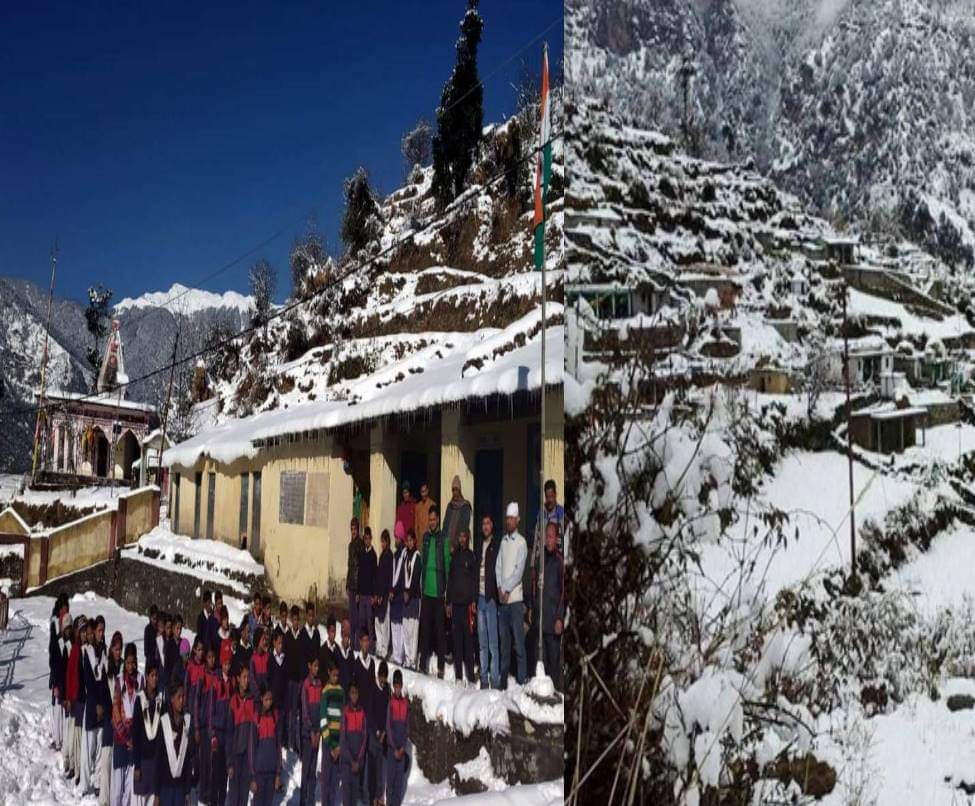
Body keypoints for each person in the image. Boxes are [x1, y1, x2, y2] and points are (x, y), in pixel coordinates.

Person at [496, 502, 528, 686]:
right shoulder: (503, 541)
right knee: (504, 645)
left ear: (517, 520)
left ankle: (522, 680)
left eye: (511, 518)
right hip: (503, 600)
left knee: (519, 644)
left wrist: (507, 589)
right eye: (507, 518)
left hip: (515, 601)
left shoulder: (521, 542)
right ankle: (503, 682)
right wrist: (500, 587)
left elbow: (519, 570)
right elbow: (498, 566)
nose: (508, 521)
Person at [533, 521, 565, 691]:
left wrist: (560, 617)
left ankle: (558, 696)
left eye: (551, 537)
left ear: (557, 538)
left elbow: (564, 592)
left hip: (553, 623)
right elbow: (534, 587)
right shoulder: (540, 560)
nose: (549, 540)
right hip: (540, 623)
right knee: (541, 664)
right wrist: (532, 609)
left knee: (554, 665)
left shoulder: (560, 561)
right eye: (547, 537)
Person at [418, 506, 450, 677]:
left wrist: (446, 592)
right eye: (429, 519)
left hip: (438, 592)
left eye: (433, 519)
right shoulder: (425, 538)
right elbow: (422, 561)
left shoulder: (443, 538)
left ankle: (441, 666)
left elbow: (446, 563)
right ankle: (422, 663)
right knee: (425, 630)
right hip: (426, 592)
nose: (431, 522)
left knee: (439, 631)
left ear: (438, 519)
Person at [81, 616, 110, 796]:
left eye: (102, 630)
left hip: (103, 704)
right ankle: (85, 785)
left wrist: (104, 704)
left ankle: (98, 782)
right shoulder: (87, 651)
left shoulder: (104, 650)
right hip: (92, 704)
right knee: (88, 747)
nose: (100, 634)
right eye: (98, 630)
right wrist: (97, 704)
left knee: (100, 746)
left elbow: (106, 679)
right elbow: (89, 681)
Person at [110, 642, 140, 806]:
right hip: (121, 738)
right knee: (117, 786)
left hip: (133, 740)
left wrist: (134, 737)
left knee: (129, 787)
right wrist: (125, 735)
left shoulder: (140, 680)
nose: (131, 666)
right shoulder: (119, 682)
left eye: (133, 662)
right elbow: (115, 710)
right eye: (128, 662)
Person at [447, 528, 478, 683]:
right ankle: (459, 676)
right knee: (456, 642)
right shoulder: (455, 556)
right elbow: (450, 580)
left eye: (464, 536)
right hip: (456, 606)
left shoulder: (471, 556)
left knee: (468, 642)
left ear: (468, 537)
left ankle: (471, 677)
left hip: (466, 607)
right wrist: (448, 603)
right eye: (460, 536)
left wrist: (473, 601)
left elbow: (474, 580)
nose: (462, 539)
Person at [157, 680, 194, 806]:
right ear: (172, 699)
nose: (182, 700)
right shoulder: (164, 722)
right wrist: (157, 794)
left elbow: (188, 759)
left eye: (183, 696)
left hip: (180, 788)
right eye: (179, 697)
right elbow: (158, 759)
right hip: (165, 787)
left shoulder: (188, 723)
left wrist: (188, 791)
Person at [206, 640, 234, 806]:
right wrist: (212, 734)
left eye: (229, 663)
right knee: (215, 774)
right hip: (217, 734)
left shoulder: (232, 682)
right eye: (225, 663)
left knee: (224, 776)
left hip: (228, 734)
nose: (227, 667)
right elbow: (210, 710)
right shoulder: (216, 682)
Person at [132, 661, 163, 806]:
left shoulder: (160, 701)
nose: (155, 678)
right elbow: (136, 734)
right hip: (143, 759)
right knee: (140, 800)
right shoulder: (140, 700)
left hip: (155, 759)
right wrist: (137, 765)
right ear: (146, 677)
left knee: (153, 799)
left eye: (157, 675)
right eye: (152, 675)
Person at [476, 514, 502, 689]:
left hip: (491, 599)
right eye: (483, 523)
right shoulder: (479, 545)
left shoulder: (497, 545)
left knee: (493, 643)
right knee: (482, 643)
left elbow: (499, 571)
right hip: (479, 599)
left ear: (492, 525)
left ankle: (495, 680)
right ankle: (484, 679)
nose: (485, 526)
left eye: (488, 523)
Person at [227, 665, 256, 806]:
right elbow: (229, 735)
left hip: (247, 757)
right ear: (238, 679)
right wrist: (230, 762)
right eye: (244, 677)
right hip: (235, 757)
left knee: (244, 796)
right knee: (234, 796)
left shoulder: (252, 701)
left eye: (248, 677)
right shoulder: (233, 702)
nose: (247, 680)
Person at [249, 684, 281, 806]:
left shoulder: (275, 716)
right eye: (266, 699)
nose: (269, 702)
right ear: (261, 698)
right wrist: (252, 776)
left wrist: (278, 773)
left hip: (271, 772)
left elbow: (278, 746)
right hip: (259, 773)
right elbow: (252, 748)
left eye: (271, 699)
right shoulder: (256, 718)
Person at [299, 655, 323, 806]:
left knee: (313, 769)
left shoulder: (320, 683)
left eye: (317, 666)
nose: (316, 668)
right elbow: (305, 710)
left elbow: (321, 709)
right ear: (309, 666)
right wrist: (311, 732)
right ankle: (303, 800)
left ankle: (311, 800)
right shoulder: (306, 684)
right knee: (306, 769)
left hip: (317, 733)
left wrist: (319, 730)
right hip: (308, 734)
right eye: (314, 666)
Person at [320, 663, 344, 806]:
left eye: (337, 675)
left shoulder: (341, 691)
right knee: (326, 778)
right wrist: (331, 745)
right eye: (333, 674)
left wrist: (339, 745)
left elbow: (343, 718)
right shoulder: (325, 692)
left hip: (338, 742)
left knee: (335, 778)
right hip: (328, 741)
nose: (336, 677)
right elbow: (323, 719)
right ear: (329, 673)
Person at [367, 661, 390, 806]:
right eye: (381, 676)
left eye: (385, 677)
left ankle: (379, 797)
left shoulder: (387, 689)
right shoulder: (372, 689)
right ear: (378, 675)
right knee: (372, 770)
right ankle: (371, 799)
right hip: (373, 735)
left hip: (383, 737)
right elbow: (370, 713)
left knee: (381, 770)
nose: (383, 680)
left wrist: (385, 732)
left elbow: (388, 711)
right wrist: (377, 731)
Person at [340, 682, 367, 806]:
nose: (354, 696)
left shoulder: (362, 712)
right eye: (352, 693)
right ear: (349, 694)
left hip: (358, 762)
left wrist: (358, 760)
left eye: (356, 693)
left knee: (354, 798)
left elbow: (364, 737)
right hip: (347, 763)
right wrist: (351, 760)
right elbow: (343, 739)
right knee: (347, 798)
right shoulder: (345, 712)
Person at [385, 669, 409, 806]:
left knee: (399, 783)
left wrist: (403, 748)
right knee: (391, 782)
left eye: (399, 684)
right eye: (395, 685)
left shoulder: (405, 703)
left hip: (401, 749)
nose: (398, 687)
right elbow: (388, 726)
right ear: (393, 686)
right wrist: (394, 747)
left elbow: (407, 727)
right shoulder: (391, 702)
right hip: (392, 748)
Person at [283, 604, 303, 753]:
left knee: (295, 711)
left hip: (298, 680)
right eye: (293, 619)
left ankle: (294, 742)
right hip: (288, 679)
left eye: (297, 620)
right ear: (291, 620)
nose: (295, 622)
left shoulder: (301, 636)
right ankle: (287, 740)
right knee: (288, 711)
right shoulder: (287, 637)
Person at [402, 530, 421, 670]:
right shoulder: (406, 555)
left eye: (410, 540)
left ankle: (413, 660)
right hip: (405, 597)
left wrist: (409, 593)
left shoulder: (417, 556)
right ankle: (407, 658)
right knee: (406, 629)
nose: (408, 543)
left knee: (413, 631)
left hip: (413, 597)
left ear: (414, 541)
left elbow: (415, 577)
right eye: (406, 540)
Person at [389, 527, 407, 666]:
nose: (395, 540)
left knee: (400, 626)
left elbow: (402, 575)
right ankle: (395, 654)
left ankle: (399, 656)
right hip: (394, 595)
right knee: (394, 625)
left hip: (400, 594)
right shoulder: (396, 554)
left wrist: (394, 590)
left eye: (397, 537)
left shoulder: (404, 554)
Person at [375, 529, 394, 659]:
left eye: (384, 541)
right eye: (381, 541)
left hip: (385, 594)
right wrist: (377, 593)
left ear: (388, 541)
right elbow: (378, 576)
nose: (382, 544)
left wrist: (382, 594)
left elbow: (387, 577)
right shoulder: (382, 555)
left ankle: (385, 649)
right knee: (378, 621)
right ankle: (379, 646)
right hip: (379, 593)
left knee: (385, 622)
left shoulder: (389, 556)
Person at [268, 630, 288, 752]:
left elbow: (286, 679)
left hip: (282, 700)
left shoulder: (284, 658)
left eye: (282, 643)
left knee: (280, 728)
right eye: (279, 643)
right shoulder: (271, 659)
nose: (281, 645)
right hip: (273, 701)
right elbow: (269, 679)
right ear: (274, 643)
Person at [442, 475, 473, 554]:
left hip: (460, 547)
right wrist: (445, 544)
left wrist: (455, 546)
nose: (454, 492)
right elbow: (445, 526)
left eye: (456, 490)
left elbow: (463, 528)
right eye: (453, 490)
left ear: (459, 490)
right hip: (447, 547)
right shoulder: (450, 506)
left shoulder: (465, 506)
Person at [358, 528, 378, 651]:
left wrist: (374, 595)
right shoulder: (361, 553)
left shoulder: (373, 555)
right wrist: (358, 593)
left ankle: (370, 647)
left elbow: (375, 576)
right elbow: (360, 574)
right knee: (362, 621)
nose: (366, 540)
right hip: (362, 594)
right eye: (365, 538)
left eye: (368, 538)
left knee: (370, 622)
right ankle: (361, 645)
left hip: (369, 595)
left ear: (371, 539)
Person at [346, 518, 363, 642]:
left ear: (358, 529)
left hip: (357, 587)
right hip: (351, 585)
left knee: (357, 617)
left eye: (355, 529)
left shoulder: (360, 544)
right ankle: (352, 641)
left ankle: (357, 642)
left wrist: (358, 590)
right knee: (351, 616)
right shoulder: (350, 545)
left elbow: (360, 568)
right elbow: (350, 566)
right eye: (351, 529)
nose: (353, 531)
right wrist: (347, 584)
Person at [298, 601, 321, 682]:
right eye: (309, 615)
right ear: (306, 616)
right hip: (305, 677)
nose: (311, 618)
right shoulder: (302, 634)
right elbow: (301, 658)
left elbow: (318, 653)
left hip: (315, 675)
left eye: (313, 615)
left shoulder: (316, 633)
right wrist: (307, 675)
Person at [249, 628, 270, 698]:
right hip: (257, 697)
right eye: (263, 640)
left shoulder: (268, 656)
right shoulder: (253, 659)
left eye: (265, 640)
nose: (265, 642)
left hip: (267, 696)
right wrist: (258, 694)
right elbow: (252, 679)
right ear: (258, 640)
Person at [336, 619, 354, 692]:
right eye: (345, 636)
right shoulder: (336, 651)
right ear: (341, 634)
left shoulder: (351, 654)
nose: (346, 639)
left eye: (348, 636)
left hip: (348, 693)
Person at [143, 606, 159, 671]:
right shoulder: (148, 629)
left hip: (158, 662)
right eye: (154, 618)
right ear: (150, 618)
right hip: (150, 661)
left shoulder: (159, 628)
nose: (155, 621)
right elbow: (146, 650)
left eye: (156, 618)